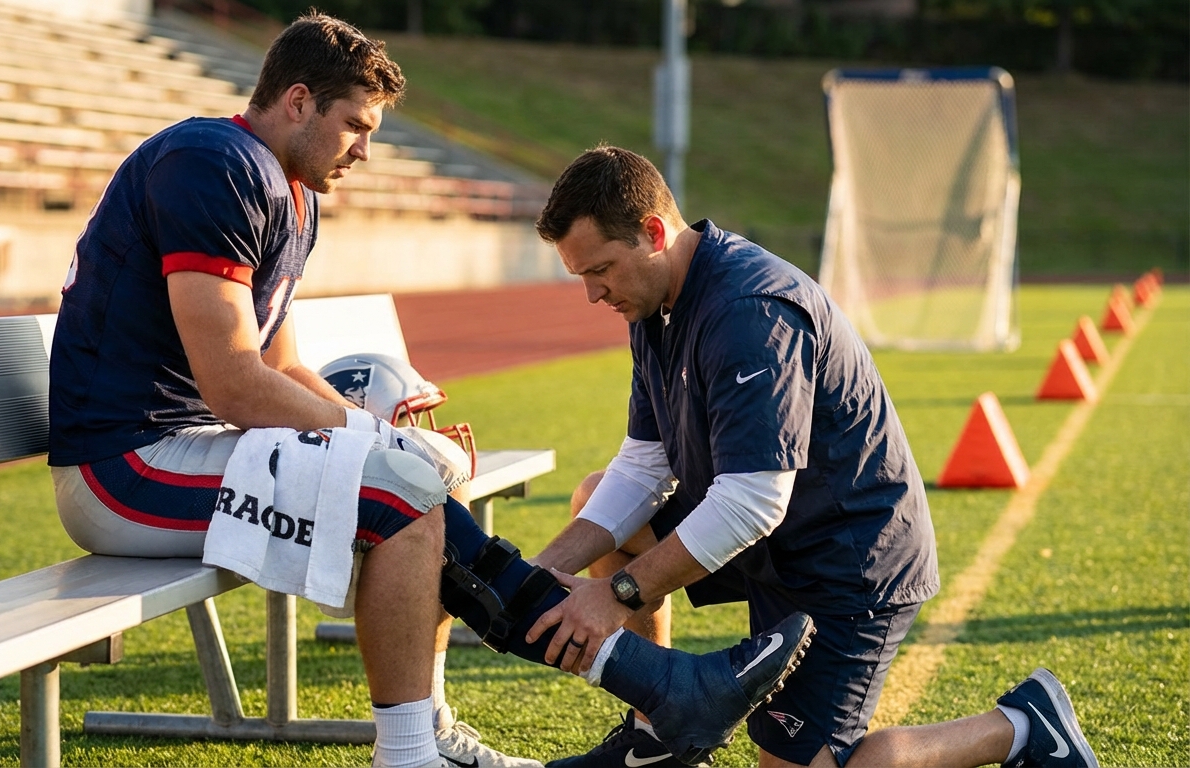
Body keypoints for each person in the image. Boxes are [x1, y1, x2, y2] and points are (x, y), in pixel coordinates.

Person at [47, 15, 814, 768]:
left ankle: (641, 692)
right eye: (356, 125)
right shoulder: (212, 162)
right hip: (124, 466)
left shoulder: (292, 191)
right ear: (298, 100)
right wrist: (383, 440)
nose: (366, 151)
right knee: (401, 499)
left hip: (188, 448)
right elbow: (234, 382)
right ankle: (419, 751)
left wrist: (381, 440)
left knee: (410, 491)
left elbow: (281, 368)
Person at [525, 145, 1099, 768]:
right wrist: (537, 574)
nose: (591, 294)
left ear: (653, 233)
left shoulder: (746, 309)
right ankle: (657, 735)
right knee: (595, 494)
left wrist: (618, 595)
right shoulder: (653, 302)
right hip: (772, 541)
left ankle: (1020, 726)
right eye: (581, 275)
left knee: (849, 762)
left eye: (599, 269)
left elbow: (751, 503)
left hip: (846, 563)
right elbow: (643, 465)